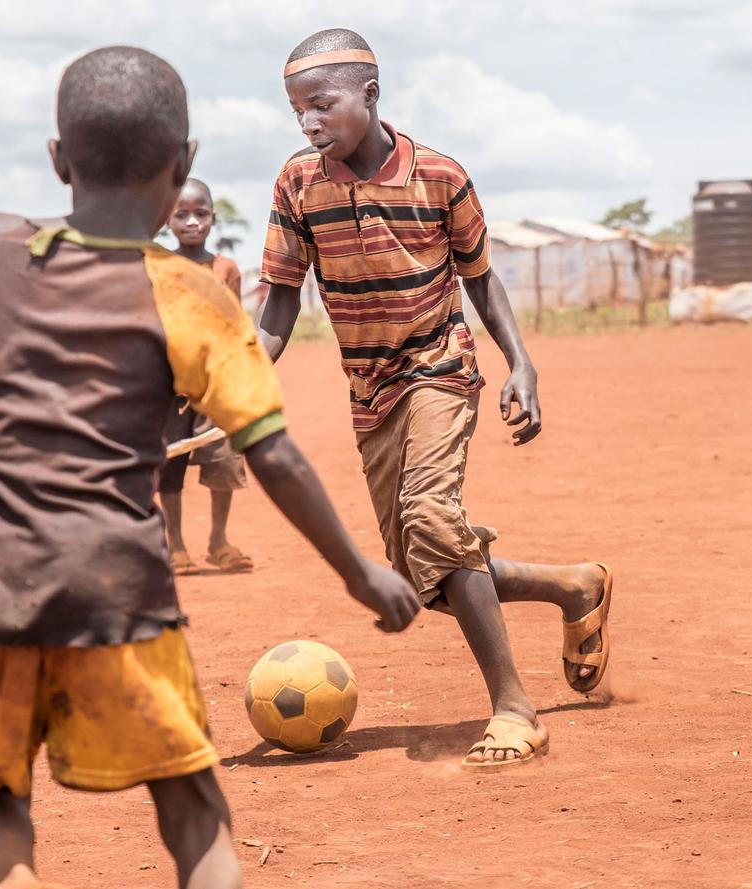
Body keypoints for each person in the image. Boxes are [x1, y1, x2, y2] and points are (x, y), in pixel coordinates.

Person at [0, 46, 419, 889]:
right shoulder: (193, 296)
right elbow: (270, 452)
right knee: (193, 806)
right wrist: (359, 573)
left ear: (59, 160)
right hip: (115, 590)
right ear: (185, 166)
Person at [258, 28, 613, 769]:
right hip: (369, 387)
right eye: (297, 111)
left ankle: (516, 708)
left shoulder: (441, 176)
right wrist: (239, 375)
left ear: (371, 94)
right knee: (426, 573)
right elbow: (280, 302)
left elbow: (481, 277)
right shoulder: (298, 184)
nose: (308, 123)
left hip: (439, 367)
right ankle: (575, 585)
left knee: (430, 518)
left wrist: (523, 363)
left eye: (321, 105)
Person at [160, 178, 254, 574]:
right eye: (181, 214)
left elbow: (234, 323)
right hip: (171, 386)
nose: (192, 222)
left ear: (213, 219)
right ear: (168, 220)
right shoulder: (161, 267)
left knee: (223, 459)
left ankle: (218, 540)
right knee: (170, 464)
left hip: (216, 383)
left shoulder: (226, 268)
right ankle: (176, 544)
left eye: (201, 214)